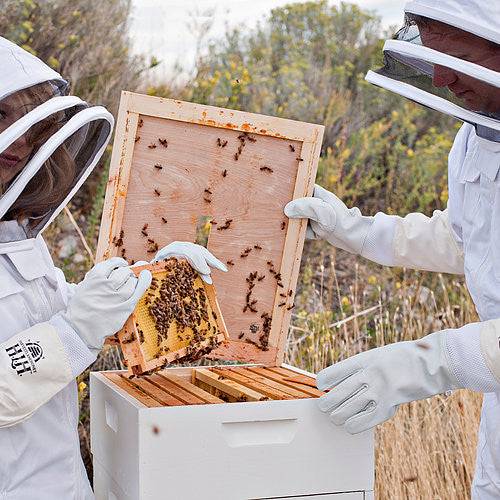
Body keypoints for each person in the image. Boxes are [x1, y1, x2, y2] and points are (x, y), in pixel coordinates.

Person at [285, 0, 500, 497]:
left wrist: (434, 360)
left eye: (457, 53)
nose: (442, 77)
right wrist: (359, 232)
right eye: (429, 46)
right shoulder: (473, 139)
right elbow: (468, 239)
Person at [0, 37, 226, 499]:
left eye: (32, 121)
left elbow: (65, 309)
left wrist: (152, 280)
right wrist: (75, 331)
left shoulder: (15, 233)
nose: (22, 140)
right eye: (3, 116)